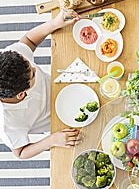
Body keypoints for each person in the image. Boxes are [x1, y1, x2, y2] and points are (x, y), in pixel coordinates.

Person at [0, 9, 81, 159]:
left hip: (61, 85)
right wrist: (52, 140)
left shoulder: (14, 55)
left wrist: (55, 23)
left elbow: (29, 40)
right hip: (59, 119)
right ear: (21, 93)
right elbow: (20, 152)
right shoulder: (7, 125)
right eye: (32, 74)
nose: (35, 68)